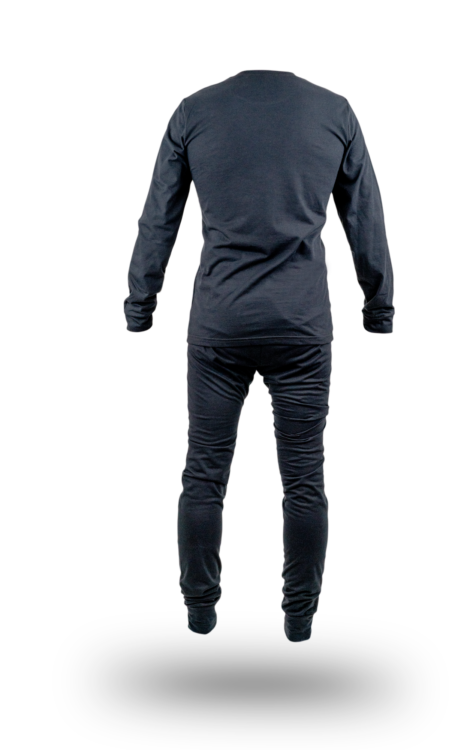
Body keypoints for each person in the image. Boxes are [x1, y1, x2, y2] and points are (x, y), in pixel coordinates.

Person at [123, 69, 396, 640]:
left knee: (204, 472)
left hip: (220, 322)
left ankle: (200, 617)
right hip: (301, 324)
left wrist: (140, 306)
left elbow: (159, 217)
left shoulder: (194, 110)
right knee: (305, 478)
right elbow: (365, 217)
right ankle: (299, 623)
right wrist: (379, 308)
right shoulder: (334, 110)